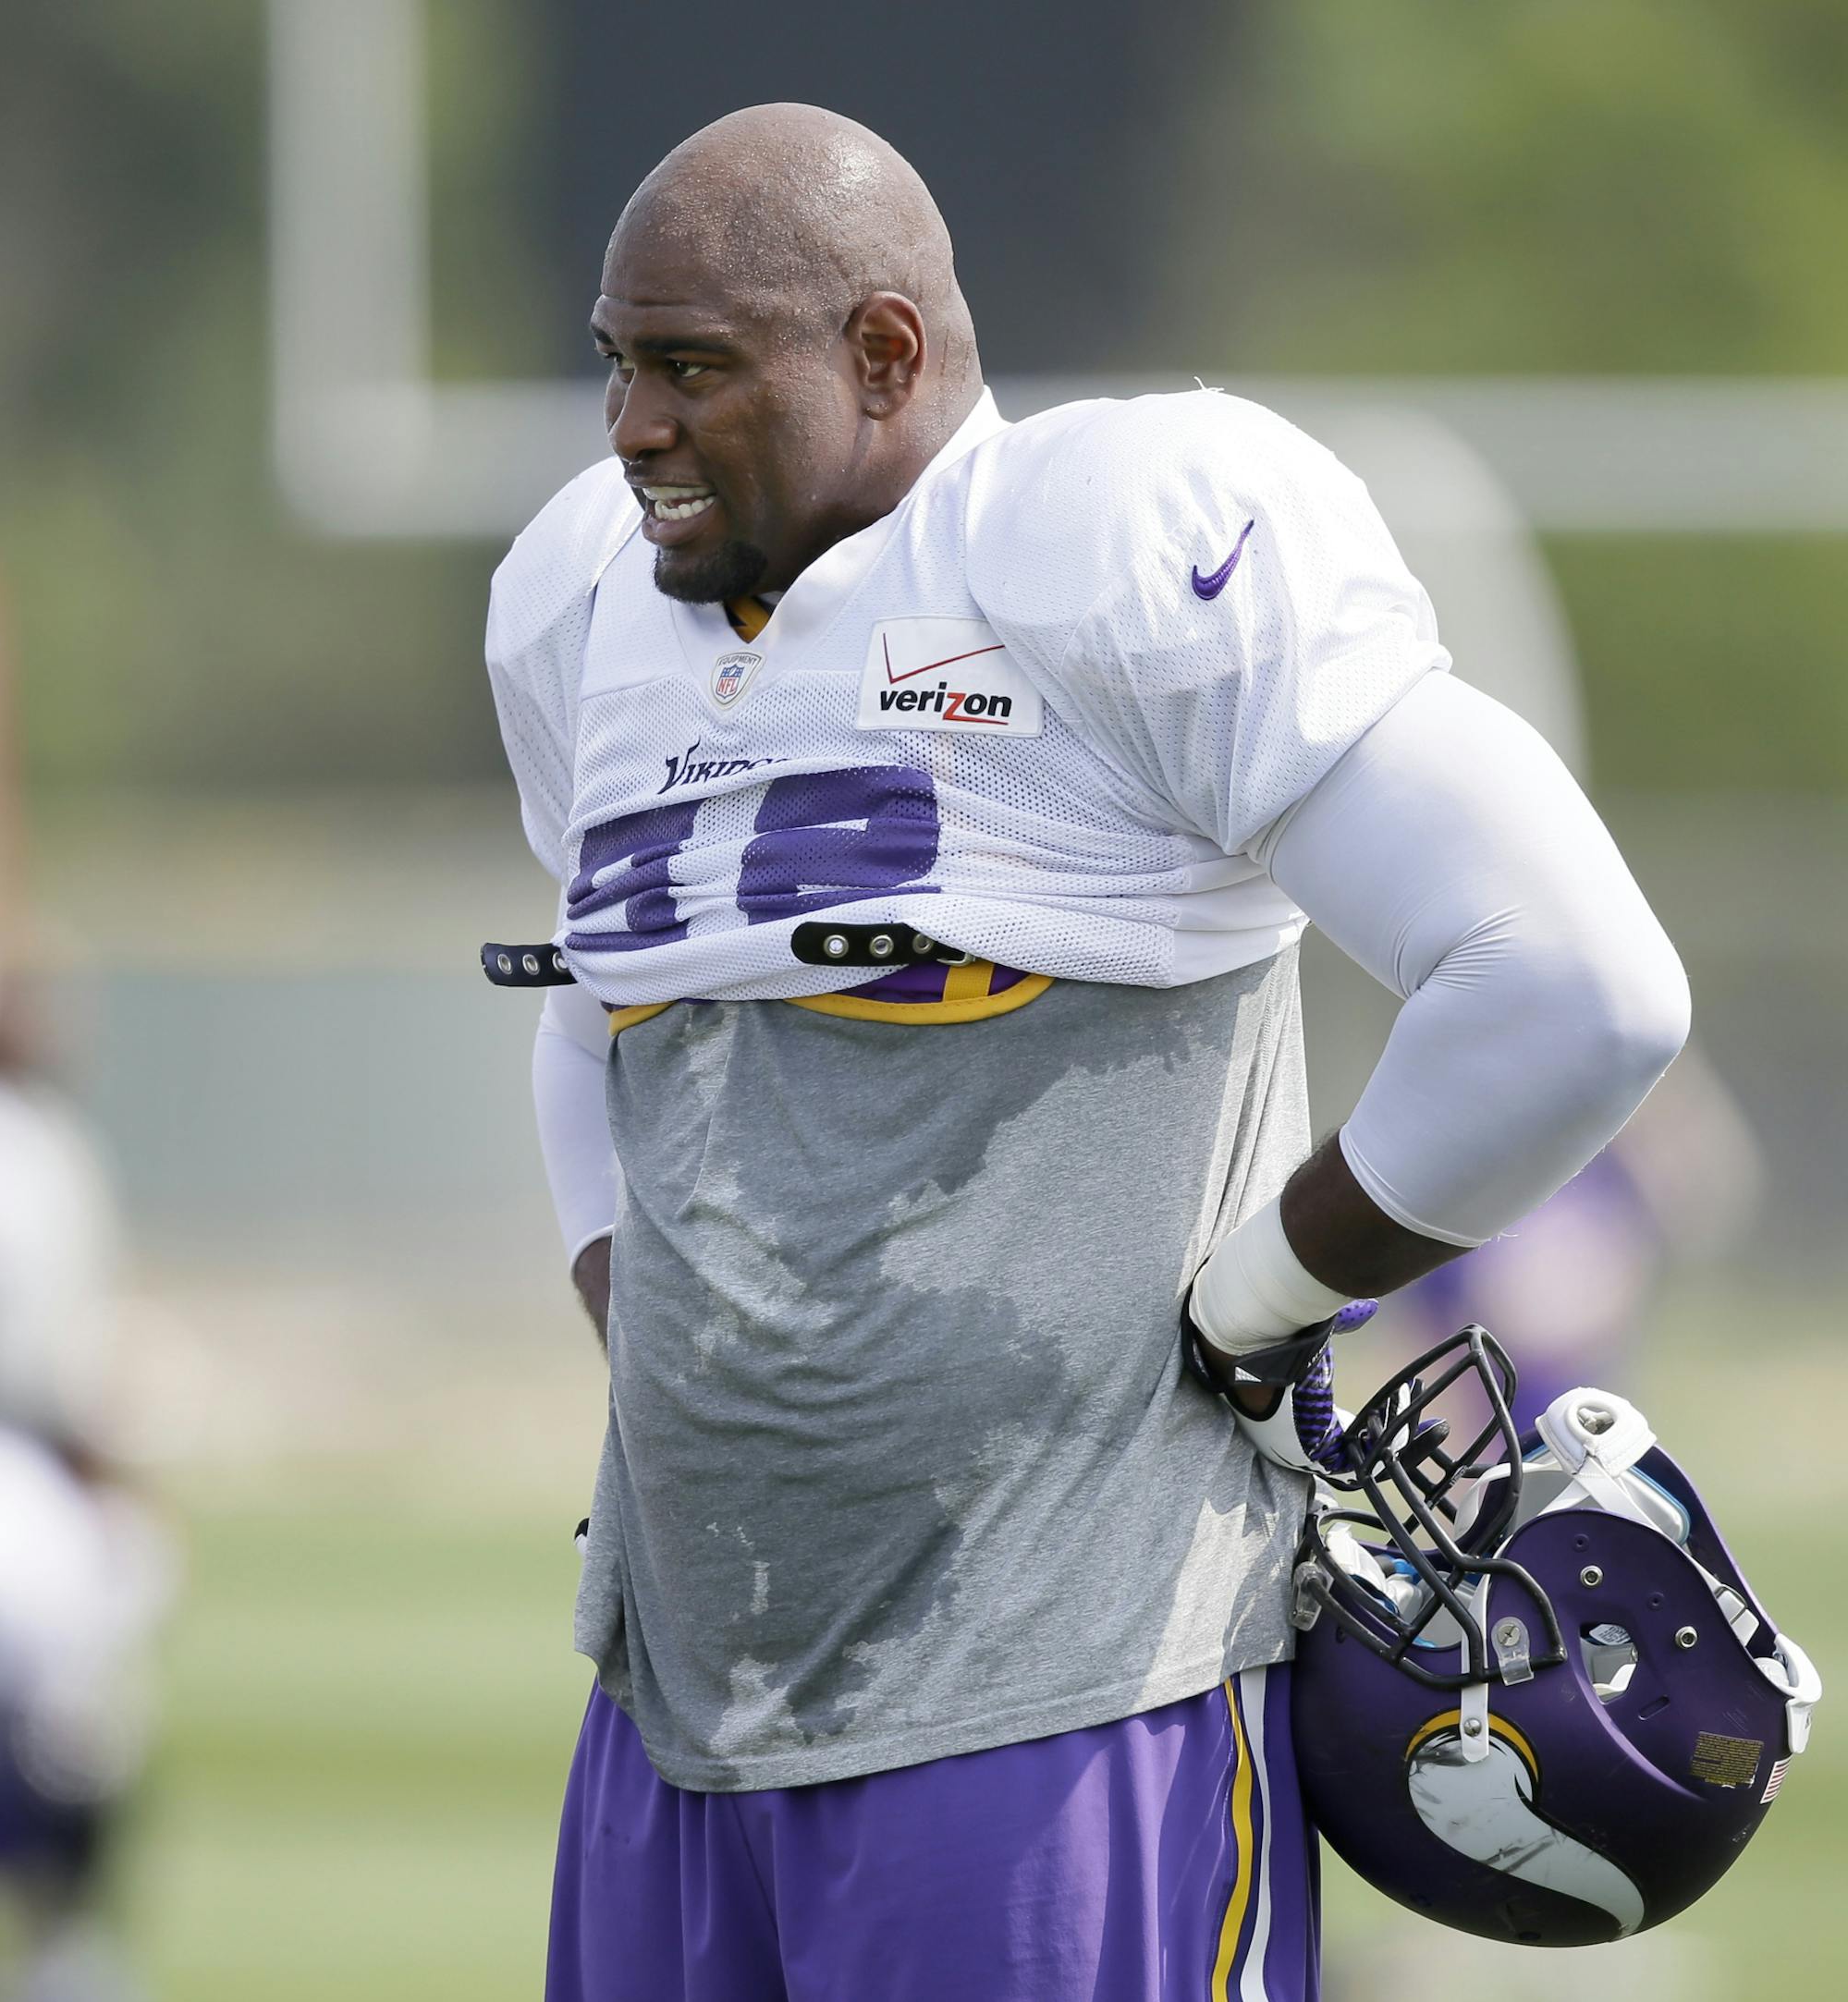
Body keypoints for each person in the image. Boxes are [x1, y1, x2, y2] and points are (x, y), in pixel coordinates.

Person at [486, 104, 1690, 2001]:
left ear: (886, 354)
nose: (631, 424)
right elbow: (605, 999)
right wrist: (642, 1327)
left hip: (1060, 1696)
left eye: (692, 369)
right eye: (618, 363)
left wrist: (1268, 1297)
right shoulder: (578, 601)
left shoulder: (1101, 542)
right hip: (674, 1701)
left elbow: (1573, 982)